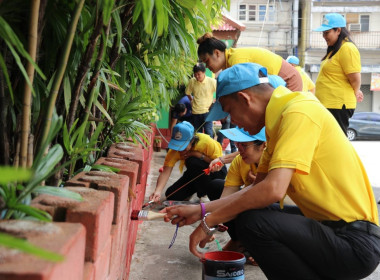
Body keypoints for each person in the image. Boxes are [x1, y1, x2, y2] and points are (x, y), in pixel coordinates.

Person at [164, 63, 380, 279]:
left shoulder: (300, 111)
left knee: (254, 224)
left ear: (245, 99)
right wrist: (202, 211)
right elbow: (255, 190)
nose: (232, 121)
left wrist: (208, 221)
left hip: (354, 242)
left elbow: (273, 190)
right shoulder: (276, 129)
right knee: (252, 214)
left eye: (230, 112)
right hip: (330, 231)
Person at [149, 121, 227, 203]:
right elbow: (165, 171)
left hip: (215, 173)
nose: (180, 150)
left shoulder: (207, 142)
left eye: (183, 146)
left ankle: (204, 195)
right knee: (171, 195)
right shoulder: (174, 151)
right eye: (177, 145)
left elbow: (219, 163)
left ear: (192, 140)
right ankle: (196, 188)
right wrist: (157, 191)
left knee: (192, 161)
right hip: (195, 174)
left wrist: (197, 155)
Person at [197, 32, 302, 91]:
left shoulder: (235, 60)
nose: (206, 67)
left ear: (216, 53)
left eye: (206, 61)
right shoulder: (230, 62)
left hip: (288, 79)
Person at [314, 13, 363, 135]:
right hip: (329, 104)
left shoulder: (348, 48)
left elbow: (355, 79)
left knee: (336, 144)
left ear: (338, 30)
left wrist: (356, 91)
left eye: (327, 32)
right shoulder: (335, 50)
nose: (324, 36)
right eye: (323, 33)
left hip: (337, 105)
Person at [185, 63, 216, 137]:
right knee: (198, 134)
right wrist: (192, 101)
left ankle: (209, 148)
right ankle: (199, 149)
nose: (197, 76)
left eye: (199, 74)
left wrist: (213, 103)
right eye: (195, 74)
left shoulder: (212, 81)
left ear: (204, 72)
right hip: (195, 111)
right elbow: (187, 93)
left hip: (207, 111)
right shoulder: (192, 81)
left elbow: (220, 93)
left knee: (208, 132)